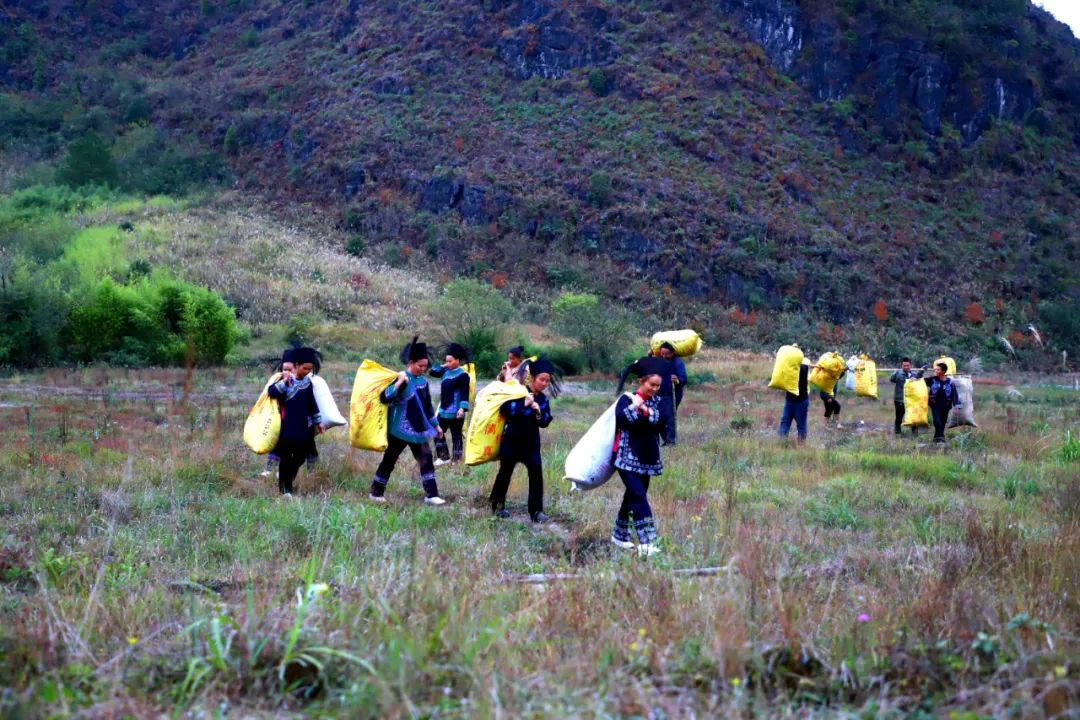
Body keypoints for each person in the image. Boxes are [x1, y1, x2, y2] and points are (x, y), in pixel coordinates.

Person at [369, 336, 447, 505]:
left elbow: (427, 407)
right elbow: (384, 398)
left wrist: (437, 426)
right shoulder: (400, 378)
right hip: (399, 429)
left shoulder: (424, 382)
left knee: (426, 457)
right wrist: (398, 383)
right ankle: (376, 492)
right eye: (420, 366)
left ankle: (431, 495)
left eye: (425, 366)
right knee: (389, 460)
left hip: (418, 429)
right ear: (410, 362)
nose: (423, 369)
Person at [489, 358, 559, 523]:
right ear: (532, 378)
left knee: (536, 474)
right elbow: (506, 410)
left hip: (531, 444)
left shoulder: (543, 400)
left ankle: (536, 511)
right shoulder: (518, 392)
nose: (544, 383)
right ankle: (497, 504)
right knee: (505, 473)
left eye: (547, 381)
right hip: (511, 441)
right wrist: (525, 404)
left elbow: (545, 422)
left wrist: (538, 412)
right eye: (542, 379)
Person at [610, 356, 667, 556]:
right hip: (625, 457)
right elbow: (622, 420)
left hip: (648, 457)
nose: (654, 389)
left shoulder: (660, 401)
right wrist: (636, 408)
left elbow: (659, 421)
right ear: (641, 381)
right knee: (638, 495)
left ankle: (620, 535)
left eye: (658, 386)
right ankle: (647, 543)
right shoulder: (626, 399)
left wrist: (641, 409)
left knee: (632, 495)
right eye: (652, 384)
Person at [266, 347, 324, 496]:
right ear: (296, 365)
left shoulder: (307, 382)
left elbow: (312, 404)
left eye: (309, 369)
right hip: (287, 429)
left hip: (303, 429)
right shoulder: (285, 381)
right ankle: (285, 490)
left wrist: (318, 422)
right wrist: (285, 382)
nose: (307, 371)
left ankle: (287, 479)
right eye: (305, 368)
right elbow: (271, 392)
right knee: (285, 458)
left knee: (301, 457)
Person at [430, 343, 471, 466]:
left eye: (450, 361)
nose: (447, 363)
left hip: (456, 411)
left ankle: (457, 460)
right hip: (443, 409)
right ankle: (443, 457)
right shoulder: (445, 372)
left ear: (457, 360)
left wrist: (462, 409)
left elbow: (465, 393)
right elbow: (432, 372)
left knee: (456, 435)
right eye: (446, 361)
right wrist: (444, 366)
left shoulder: (463, 375)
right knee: (436, 431)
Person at [656, 342, 687, 445]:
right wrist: (649, 356)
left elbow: (684, 378)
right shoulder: (659, 360)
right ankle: (666, 440)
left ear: (672, 353)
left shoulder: (678, 363)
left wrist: (677, 379)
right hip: (660, 392)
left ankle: (671, 441)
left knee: (669, 416)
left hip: (673, 393)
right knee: (658, 417)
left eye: (666, 354)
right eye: (662, 354)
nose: (664, 356)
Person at [925, 361, 960, 443]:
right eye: (935, 369)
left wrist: (957, 406)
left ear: (943, 371)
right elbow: (919, 382)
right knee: (937, 422)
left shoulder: (950, 382)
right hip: (935, 405)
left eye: (938, 370)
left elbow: (954, 394)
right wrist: (921, 372)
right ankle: (941, 437)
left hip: (946, 406)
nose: (936, 371)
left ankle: (937, 439)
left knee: (943, 422)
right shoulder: (932, 379)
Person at [889, 358, 924, 436]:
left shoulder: (913, 374)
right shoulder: (898, 373)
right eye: (904, 365)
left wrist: (921, 372)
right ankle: (897, 433)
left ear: (910, 365)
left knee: (913, 417)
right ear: (902, 365)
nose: (906, 367)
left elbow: (918, 380)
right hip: (900, 399)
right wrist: (896, 373)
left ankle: (914, 433)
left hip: (911, 400)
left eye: (907, 365)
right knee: (899, 417)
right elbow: (892, 379)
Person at [778, 361, 810, 443]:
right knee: (784, 423)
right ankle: (782, 444)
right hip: (789, 401)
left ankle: (801, 445)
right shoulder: (789, 368)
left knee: (801, 425)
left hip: (801, 402)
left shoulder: (803, 368)